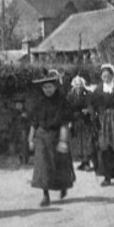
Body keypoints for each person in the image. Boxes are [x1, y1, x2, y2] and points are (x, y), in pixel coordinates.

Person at [28, 70, 75, 206]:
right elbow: (34, 122)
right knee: (43, 167)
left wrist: (63, 141)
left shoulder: (62, 101)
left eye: (50, 87)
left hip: (57, 135)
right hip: (42, 136)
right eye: (45, 88)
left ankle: (63, 187)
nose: (48, 90)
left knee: (60, 165)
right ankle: (45, 195)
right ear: (42, 89)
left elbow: (66, 122)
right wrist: (31, 139)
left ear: (55, 87)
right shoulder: (38, 102)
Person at [66, 74, 98, 172]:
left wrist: (88, 110)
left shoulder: (87, 93)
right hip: (75, 120)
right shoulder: (70, 95)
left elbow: (91, 105)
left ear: (83, 85)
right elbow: (67, 108)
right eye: (76, 85)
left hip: (86, 120)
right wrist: (69, 121)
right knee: (77, 141)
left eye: (80, 84)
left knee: (86, 140)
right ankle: (82, 162)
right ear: (73, 85)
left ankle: (87, 161)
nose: (78, 86)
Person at [10, 94, 31, 165]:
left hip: (24, 130)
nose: (18, 106)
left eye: (20, 104)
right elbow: (12, 121)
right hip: (16, 131)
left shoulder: (26, 112)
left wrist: (25, 117)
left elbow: (29, 122)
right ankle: (19, 159)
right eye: (17, 104)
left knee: (24, 145)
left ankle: (25, 160)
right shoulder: (14, 112)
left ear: (22, 105)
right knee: (17, 145)